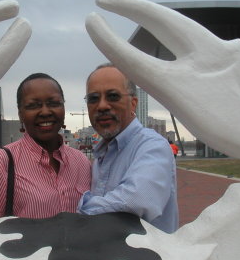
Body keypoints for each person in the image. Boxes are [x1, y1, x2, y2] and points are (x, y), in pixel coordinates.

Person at [0, 73, 91, 239]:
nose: (45, 112)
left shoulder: (81, 162)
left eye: (54, 103)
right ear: (20, 114)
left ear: (64, 108)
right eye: (33, 105)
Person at [77, 63, 179, 233]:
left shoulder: (152, 146)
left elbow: (135, 201)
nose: (102, 106)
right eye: (93, 98)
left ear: (133, 103)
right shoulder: (100, 155)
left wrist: (77, 211)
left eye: (113, 96)